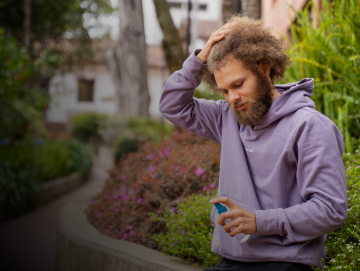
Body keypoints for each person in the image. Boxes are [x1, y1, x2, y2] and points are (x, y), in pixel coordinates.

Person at [159, 15, 347, 271]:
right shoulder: (228, 118)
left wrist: (259, 222)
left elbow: (330, 210)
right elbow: (172, 106)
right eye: (224, 91)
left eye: (238, 84)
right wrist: (198, 61)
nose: (232, 98)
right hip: (231, 261)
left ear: (264, 67)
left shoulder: (310, 126)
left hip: (285, 264)